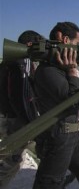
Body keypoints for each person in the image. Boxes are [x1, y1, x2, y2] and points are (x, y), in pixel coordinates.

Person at [33, 22, 79, 189]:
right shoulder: (47, 71)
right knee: (49, 184)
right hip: (58, 136)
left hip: (71, 134)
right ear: (65, 40)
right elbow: (71, 98)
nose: (78, 49)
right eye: (77, 44)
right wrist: (72, 71)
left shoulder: (58, 69)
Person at [0, 30, 43, 187]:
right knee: (13, 160)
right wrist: (30, 121)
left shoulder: (10, 63)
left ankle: (52, 172)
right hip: (14, 119)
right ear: (30, 45)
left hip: (11, 117)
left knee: (41, 148)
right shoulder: (19, 65)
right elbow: (19, 98)